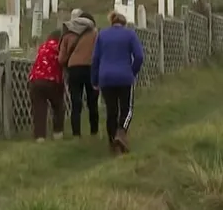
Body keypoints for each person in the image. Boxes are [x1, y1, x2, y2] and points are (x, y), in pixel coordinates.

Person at [91, 11, 144, 154]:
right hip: (124, 76)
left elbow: (95, 59)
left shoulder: (102, 35)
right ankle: (121, 132)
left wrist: (94, 80)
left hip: (106, 78)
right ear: (124, 23)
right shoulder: (130, 34)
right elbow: (139, 56)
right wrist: (132, 71)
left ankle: (112, 143)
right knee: (127, 109)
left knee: (111, 111)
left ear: (111, 22)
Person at [59, 8, 99, 138]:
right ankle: (94, 131)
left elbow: (61, 58)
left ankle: (76, 133)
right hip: (90, 68)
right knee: (92, 101)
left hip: (74, 70)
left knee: (76, 102)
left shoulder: (67, 35)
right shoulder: (94, 33)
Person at [28, 28, 66, 141]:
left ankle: (40, 137)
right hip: (52, 80)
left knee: (39, 109)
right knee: (58, 106)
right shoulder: (59, 48)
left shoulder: (43, 47)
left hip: (35, 80)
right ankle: (57, 133)